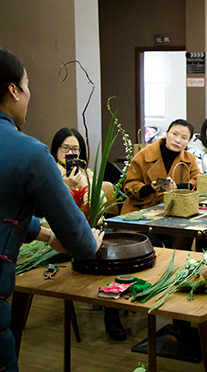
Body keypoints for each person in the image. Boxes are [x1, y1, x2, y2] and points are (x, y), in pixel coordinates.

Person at [0, 47, 102, 372]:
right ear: (13, 91)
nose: (29, 94)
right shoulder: (30, 151)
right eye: (27, 86)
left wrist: (44, 235)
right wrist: (92, 241)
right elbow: (80, 242)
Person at [50, 128, 124, 341]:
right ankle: (111, 314)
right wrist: (67, 186)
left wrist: (82, 184)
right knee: (106, 255)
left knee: (117, 248)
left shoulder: (86, 174)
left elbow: (99, 203)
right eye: (65, 148)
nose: (70, 153)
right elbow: (55, 207)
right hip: (63, 232)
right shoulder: (50, 173)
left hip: (93, 227)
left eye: (75, 149)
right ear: (56, 149)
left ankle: (111, 306)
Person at [121, 119, 200, 214]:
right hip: (141, 211)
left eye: (184, 138)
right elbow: (130, 185)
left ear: (188, 141)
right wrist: (150, 188)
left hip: (176, 211)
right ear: (167, 133)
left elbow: (198, 181)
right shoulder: (143, 155)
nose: (177, 140)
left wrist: (177, 187)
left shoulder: (189, 159)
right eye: (174, 134)